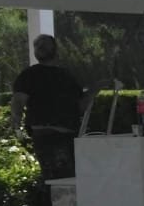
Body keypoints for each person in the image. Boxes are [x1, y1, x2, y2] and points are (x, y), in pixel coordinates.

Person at [11, 34, 89, 180]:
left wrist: (96, 89)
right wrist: (17, 125)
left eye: (44, 45)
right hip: (46, 134)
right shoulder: (29, 75)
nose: (41, 47)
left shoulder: (66, 76)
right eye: (38, 45)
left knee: (66, 179)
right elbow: (18, 101)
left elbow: (80, 106)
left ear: (54, 49)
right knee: (59, 179)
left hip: (67, 135)